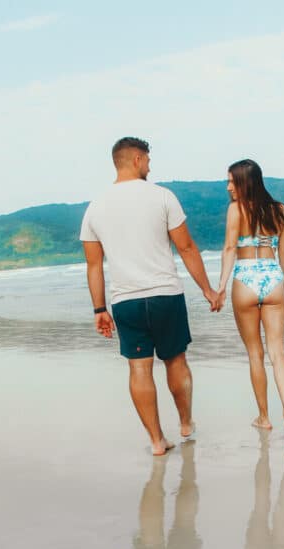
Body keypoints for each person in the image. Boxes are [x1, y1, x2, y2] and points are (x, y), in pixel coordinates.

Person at [81, 137, 221, 456]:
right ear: (137, 159)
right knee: (176, 360)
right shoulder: (161, 196)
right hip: (165, 296)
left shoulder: (95, 207)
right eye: (147, 160)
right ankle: (185, 423)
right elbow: (185, 247)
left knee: (139, 369)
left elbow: (93, 265)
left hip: (125, 301)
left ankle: (157, 441)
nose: (149, 166)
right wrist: (207, 289)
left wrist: (99, 309)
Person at [216, 159, 284, 438]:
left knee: (256, 354)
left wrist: (220, 286)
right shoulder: (280, 210)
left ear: (245, 182)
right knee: (278, 353)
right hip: (272, 277)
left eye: (232, 181)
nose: (228, 187)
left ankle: (264, 417)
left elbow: (230, 248)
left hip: (246, 279)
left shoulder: (235, 209)